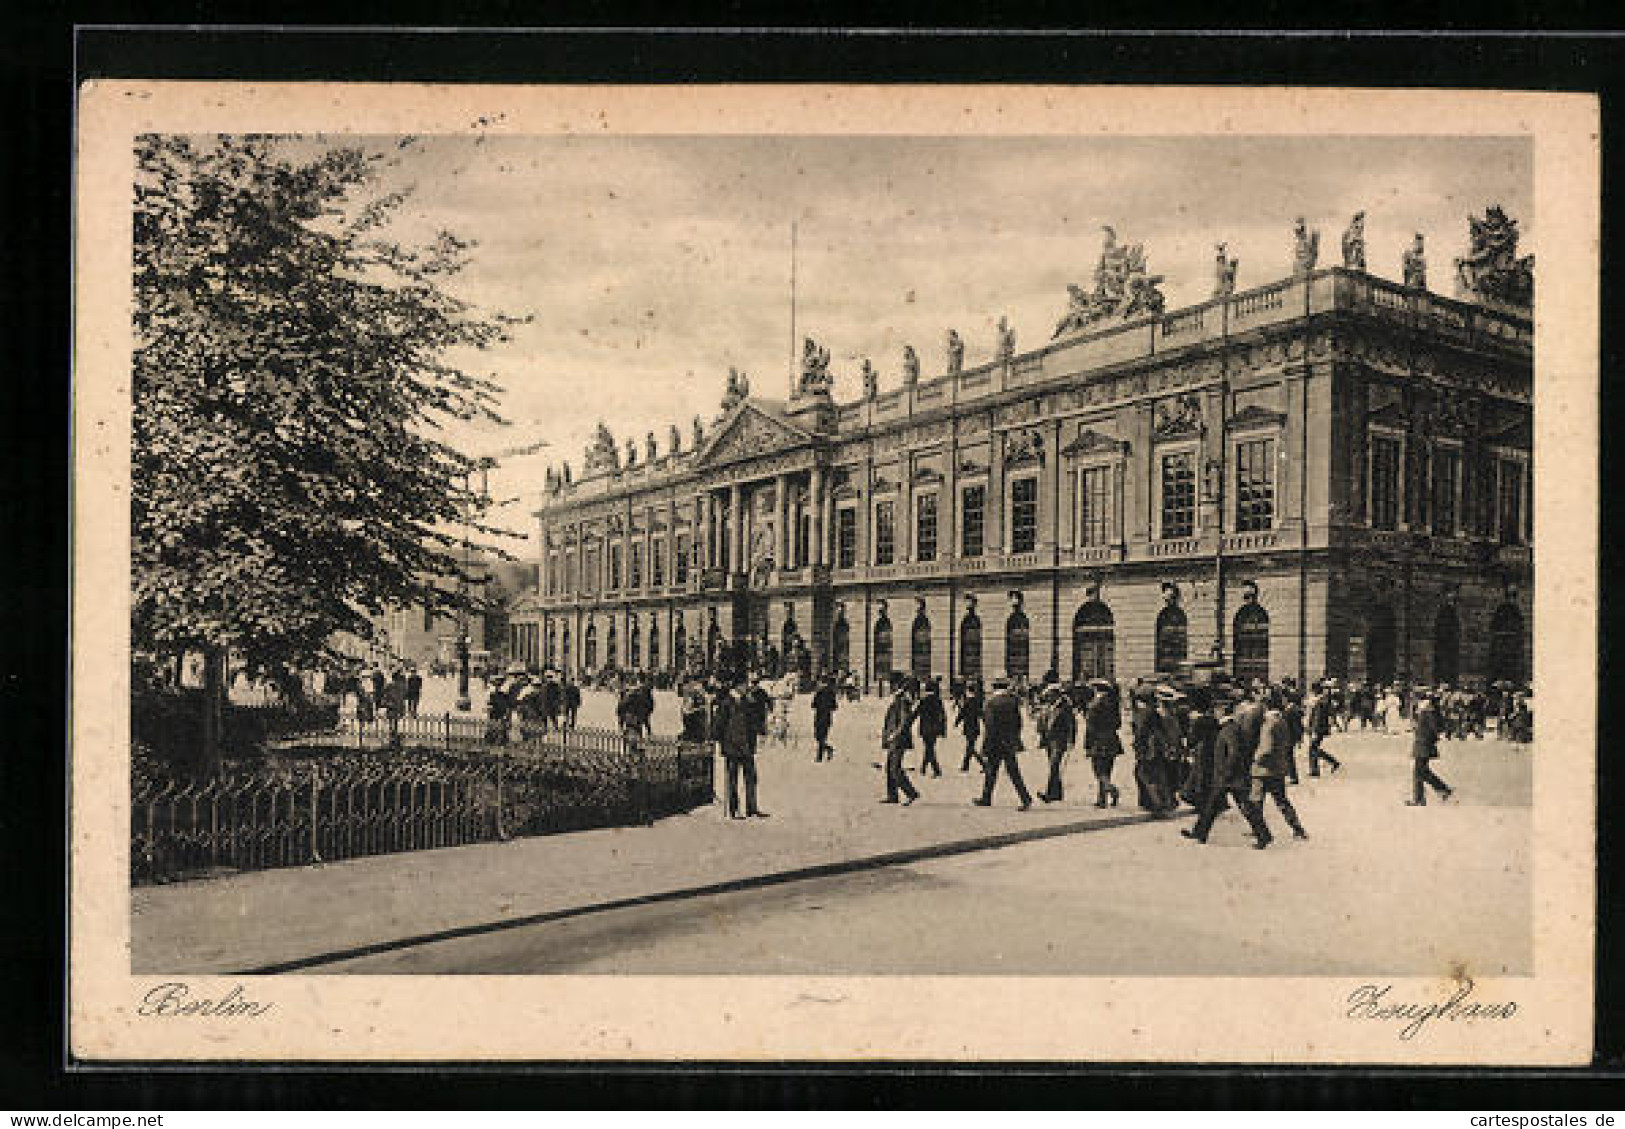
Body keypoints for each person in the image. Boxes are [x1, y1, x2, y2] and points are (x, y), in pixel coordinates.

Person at [1184, 690, 1275, 848]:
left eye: (1217, 710)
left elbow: (1234, 753)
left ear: (1223, 711)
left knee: (1245, 807)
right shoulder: (1228, 728)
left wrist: (1227, 772)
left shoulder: (1229, 729)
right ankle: (1200, 833)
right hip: (1227, 776)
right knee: (1212, 805)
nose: (1215, 712)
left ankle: (1264, 835)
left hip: (1231, 777)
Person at [1250, 689, 1308, 839]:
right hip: (1278, 767)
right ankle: (1297, 829)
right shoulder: (1281, 720)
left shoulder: (1269, 723)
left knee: (1256, 802)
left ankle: (1259, 832)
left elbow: (1266, 748)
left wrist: (1255, 759)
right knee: (1282, 801)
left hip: (1263, 769)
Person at [712, 676, 767, 819]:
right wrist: (719, 741)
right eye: (744, 685)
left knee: (751, 777)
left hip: (747, 746)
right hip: (732, 747)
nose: (746, 687)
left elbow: (754, 722)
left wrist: (759, 730)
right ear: (736, 687)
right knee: (732, 779)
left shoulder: (748, 702)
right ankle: (733, 809)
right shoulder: (727, 703)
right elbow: (719, 725)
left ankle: (752, 808)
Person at [974, 676, 1032, 810]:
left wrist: (986, 745)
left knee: (991, 771)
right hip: (1009, 741)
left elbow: (990, 726)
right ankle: (1025, 798)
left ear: (994, 687)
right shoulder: (1013, 701)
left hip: (995, 742)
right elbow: (1018, 722)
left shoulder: (991, 703)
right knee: (1013, 771)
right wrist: (1015, 738)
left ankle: (986, 798)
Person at [1406, 689, 1455, 806]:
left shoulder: (1427, 711)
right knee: (1421, 771)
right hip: (1422, 742)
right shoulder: (1424, 710)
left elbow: (1434, 728)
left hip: (1424, 743)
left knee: (1419, 771)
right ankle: (1439, 791)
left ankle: (1422, 797)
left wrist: (1431, 738)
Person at [880, 674, 921, 806]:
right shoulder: (900, 699)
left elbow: (904, 721)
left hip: (898, 739)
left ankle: (911, 793)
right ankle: (892, 795)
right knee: (889, 767)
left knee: (894, 768)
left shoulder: (903, 701)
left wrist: (895, 734)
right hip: (895, 738)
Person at [1083, 677, 1123, 808]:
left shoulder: (1093, 705)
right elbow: (1118, 724)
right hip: (1112, 739)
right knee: (1107, 769)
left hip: (1098, 741)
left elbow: (1090, 727)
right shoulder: (1114, 704)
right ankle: (1102, 799)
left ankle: (1111, 789)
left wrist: (1087, 745)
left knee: (1098, 771)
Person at [1037, 684, 1077, 803]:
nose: (1048, 698)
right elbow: (1044, 721)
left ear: (1055, 694)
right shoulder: (1049, 706)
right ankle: (1057, 793)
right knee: (1053, 766)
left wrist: (1071, 740)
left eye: (1049, 695)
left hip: (1060, 739)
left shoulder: (1065, 706)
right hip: (1049, 739)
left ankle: (1049, 794)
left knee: (1054, 765)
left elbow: (1072, 724)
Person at [1305, 682, 1342, 777]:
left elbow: (1317, 717)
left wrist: (1314, 731)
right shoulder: (1322, 700)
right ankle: (1316, 769)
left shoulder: (1320, 702)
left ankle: (1330, 763)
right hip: (1319, 728)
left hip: (1318, 729)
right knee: (1313, 749)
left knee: (1312, 749)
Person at [916, 677, 948, 777]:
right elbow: (942, 716)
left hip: (925, 728)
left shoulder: (923, 701)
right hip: (934, 729)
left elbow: (915, 713)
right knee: (929, 748)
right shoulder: (937, 701)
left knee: (929, 748)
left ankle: (935, 770)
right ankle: (924, 768)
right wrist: (943, 730)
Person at [956, 678, 986, 772]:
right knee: (970, 747)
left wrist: (957, 722)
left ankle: (983, 764)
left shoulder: (968, 702)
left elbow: (962, 713)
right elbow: (981, 713)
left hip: (969, 727)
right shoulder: (976, 701)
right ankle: (966, 766)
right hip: (975, 726)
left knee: (970, 747)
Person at [811, 675, 839, 762]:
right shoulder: (831, 693)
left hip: (820, 716)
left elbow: (813, 705)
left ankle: (819, 757)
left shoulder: (819, 693)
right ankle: (828, 749)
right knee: (820, 737)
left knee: (819, 737)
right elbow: (834, 707)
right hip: (826, 717)